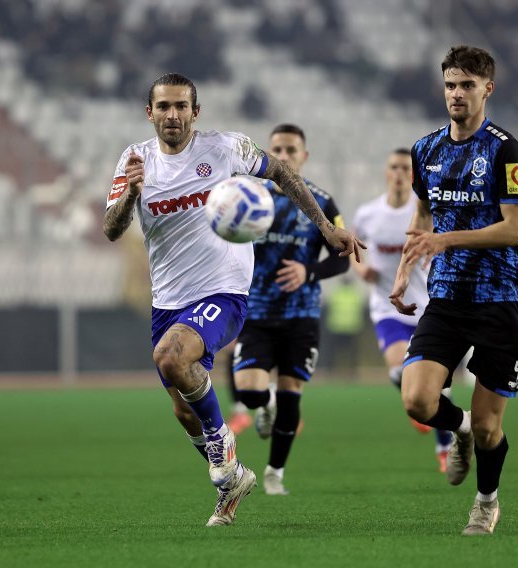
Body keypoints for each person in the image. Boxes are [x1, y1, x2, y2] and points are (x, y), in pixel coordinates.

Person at [103, 74, 363, 526]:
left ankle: (223, 449)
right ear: (149, 113)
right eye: (163, 106)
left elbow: (282, 173)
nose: (172, 114)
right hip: (168, 301)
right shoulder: (134, 161)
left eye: (181, 106)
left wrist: (326, 228)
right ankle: (232, 480)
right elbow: (111, 228)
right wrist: (130, 195)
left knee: (169, 357)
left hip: (224, 291)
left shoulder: (226, 149)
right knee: (184, 409)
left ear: (195, 112)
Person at [389, 46, 518, 535]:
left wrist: (444, 239)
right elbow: (424, 215)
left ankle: (487, 501)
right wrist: (404, 269)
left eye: (467, 85)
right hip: (448, 297)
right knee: (416, 400)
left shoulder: (506, 151)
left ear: (487, 89)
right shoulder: (425, 149)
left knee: (493, 426)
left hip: (501, 298)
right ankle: (462, 430)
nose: (456, 93)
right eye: (451, 84)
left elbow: (516, 229)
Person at [232, 123, 350, 495]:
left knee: (291, 392)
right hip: (256, 312)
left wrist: (308, 270)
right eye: (277, 150)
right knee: (249, 391)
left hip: (301, 315)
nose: (283, 157)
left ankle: (274, 473)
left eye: (291, 150)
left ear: (304, 156)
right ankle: (261, 404)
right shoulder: (249, 198)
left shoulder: (323, 202)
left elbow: (343, 259)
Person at [352, 148, 453, 473]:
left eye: (405, 168)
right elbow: (351, 249)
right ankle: (416, 402)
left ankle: (444, 443)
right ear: (386, 172)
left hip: (427, 306)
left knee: (437, 386)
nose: (398, 173)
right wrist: (361, 270)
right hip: (387, 307)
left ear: (413, 174)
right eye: (393, 167)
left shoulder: (424, 210)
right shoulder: (368, 214)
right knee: (398, 368)